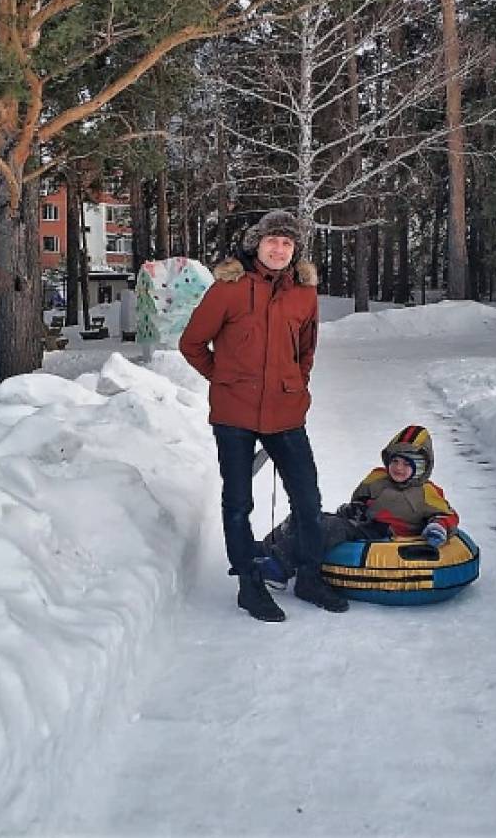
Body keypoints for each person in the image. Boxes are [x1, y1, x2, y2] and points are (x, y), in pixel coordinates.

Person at [179, 210, 349, 621]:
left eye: (287, 244)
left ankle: (309, 576)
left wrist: (296, 382)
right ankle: (249, 585)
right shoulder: (228, 289)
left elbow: (306, 350)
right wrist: (224, 379)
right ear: (258, 243)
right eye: (273, 241)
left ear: (295, 251)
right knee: (238, 503)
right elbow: (192, 343)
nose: (279, 249)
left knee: (308, 500)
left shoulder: (304, 295)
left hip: (287, 413)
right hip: (234, 415)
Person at [262, 424, 461, 582]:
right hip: (364, 527)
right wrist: (355, 509)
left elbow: (446, 515)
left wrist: (437, 527)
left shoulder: (427, 492)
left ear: (420, 468)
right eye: (395, 462)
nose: (398, 468)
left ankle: (280, 566)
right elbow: (360, 500)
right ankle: (265, 549)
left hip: (389, 538)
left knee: (330, 528)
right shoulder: (377, 478)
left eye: (407, 464)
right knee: (308, 518)